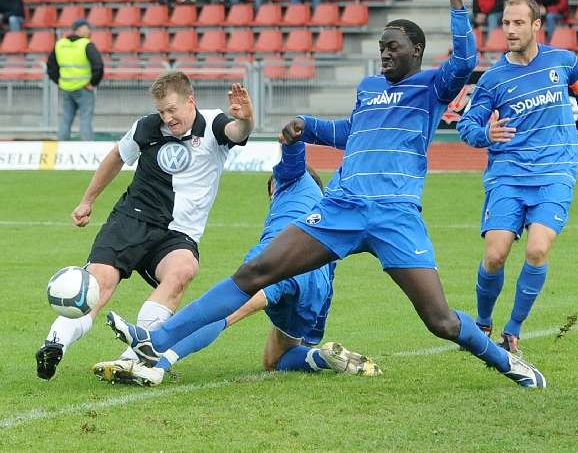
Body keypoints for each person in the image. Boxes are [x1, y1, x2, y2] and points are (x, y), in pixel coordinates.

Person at [107, 0, 547, 390]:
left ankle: (506, 361)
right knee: (256, 271)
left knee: (441, 321)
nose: (385, 54)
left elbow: (466, 62)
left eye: (393, 47)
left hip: (395, 215)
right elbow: (352, 131)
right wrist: (306, 126)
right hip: (341, 208)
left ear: (416, 50)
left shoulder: (432, 87)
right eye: (380, 48)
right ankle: (157, 339)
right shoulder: (370, 88)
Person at [94, 141, 381, 386]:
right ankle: (321, 357)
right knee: (275, 359)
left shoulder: (292, 179)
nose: (272, 192)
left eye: (272, 187)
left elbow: (293, 158)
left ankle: (155, 365)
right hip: (317, 282)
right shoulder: (327, 213)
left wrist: (294, 135)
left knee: (225, 313)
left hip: (280, 257)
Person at [35, 73, 253, 380]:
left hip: (177, 233)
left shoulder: (214, 124)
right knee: (98, 284)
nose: (167, 117)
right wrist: (88, 200)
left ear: (191, 101)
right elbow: (115, 158)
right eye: (162, 111)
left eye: (172, 109)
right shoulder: (147, 127)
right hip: (131, 220)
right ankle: (55, 343)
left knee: (182, 270)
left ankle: (133, 357)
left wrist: (246, 118)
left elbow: (237, 130)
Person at [456, 0, 578, 354]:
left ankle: (512, 331)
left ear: (536, 26)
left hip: (555, 173)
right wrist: (485, 134)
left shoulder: (565, 63)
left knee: (537, 249)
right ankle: (483, 322)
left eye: (517, 23)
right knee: (495, 255)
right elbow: (467, 124)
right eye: (505, 23)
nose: (510, 30)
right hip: (508, 176)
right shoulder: (493, 78)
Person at [48, 19, 104, 142]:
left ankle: (62, 146)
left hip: (66, 88)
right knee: (85, 119)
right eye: (87, 27)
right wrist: (93, 83)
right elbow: (98, 66)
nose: (89, 30)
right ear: (79, 29)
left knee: (66, 118)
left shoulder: (60, 44)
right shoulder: (86, 44)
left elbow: (51, 67)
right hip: (84, 88)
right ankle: (87, 148)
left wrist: (60, 82)